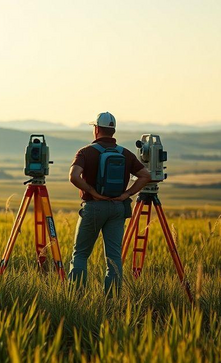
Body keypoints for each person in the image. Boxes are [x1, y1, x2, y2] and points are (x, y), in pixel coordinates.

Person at [68, 112, 151, 295]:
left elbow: (73, 176)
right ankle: (112, 301)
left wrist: (92, 192)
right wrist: (127, 194)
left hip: (94, 207)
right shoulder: (125, 153)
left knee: (80, 254)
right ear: (113, 131)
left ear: (96, 129)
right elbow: (146, 175)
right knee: (113, 258)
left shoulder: (85, 152)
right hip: (117, 208)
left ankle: (75, 298)